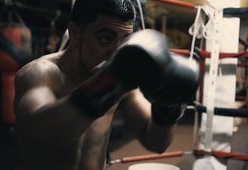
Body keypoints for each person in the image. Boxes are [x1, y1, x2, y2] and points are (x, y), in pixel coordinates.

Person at [14, 0, 199, 169]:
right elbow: (40, 131)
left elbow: (156, 142)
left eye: (124, 40)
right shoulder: (41, 74)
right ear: (75, 32)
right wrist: (105, 85)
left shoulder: (121, 80)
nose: (116, 53)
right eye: (106, 38)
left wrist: (167, 108)